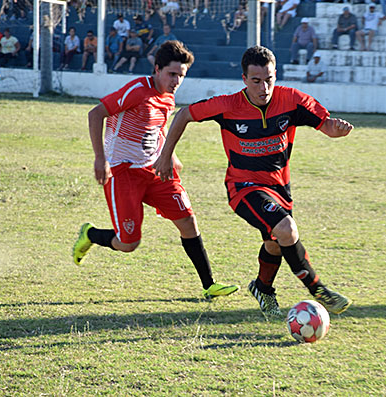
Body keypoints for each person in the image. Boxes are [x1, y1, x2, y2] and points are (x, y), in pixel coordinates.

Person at [154, 46, 353, 319]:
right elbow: (185, 114)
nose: (264, 87)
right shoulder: (228, 105)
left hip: (279, 188)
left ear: (275, 75)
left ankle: (262, 288)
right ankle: (319, 290)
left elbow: (327, 125)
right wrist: (165, 156)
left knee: (275, 241)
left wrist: (337, 129)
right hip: (243, 187)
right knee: (286, 229)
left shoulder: (292, 100)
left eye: (269, 79)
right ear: (244, 79)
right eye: (256, 81)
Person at [73, 40, 239, 301]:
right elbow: (96, 114)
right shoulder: (138, 90)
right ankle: (91, 234)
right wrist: (100, 158)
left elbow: (156, 131)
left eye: (181, 76)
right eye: (172, 74)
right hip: (122, 172)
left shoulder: (168, 98)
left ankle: (210, 285)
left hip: (155, 170)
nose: (176, 81)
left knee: (187, 221)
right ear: (157, 69)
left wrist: (170, 156)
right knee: (128, 244)